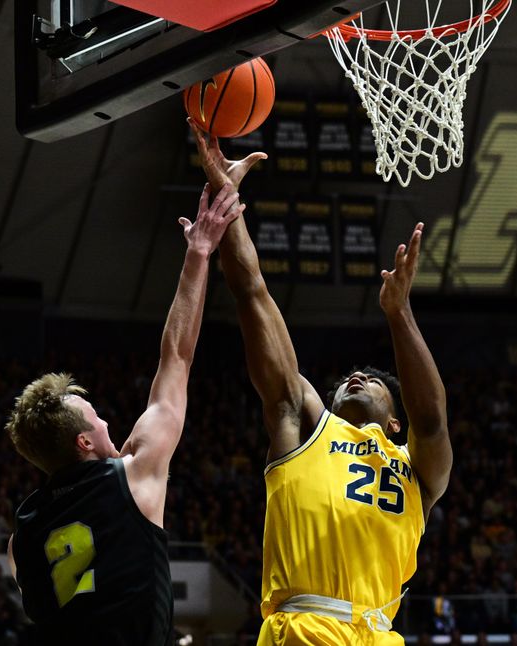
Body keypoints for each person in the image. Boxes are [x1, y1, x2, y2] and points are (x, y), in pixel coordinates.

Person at [190, 119, 453, 645]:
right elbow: (254, 294)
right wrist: (226, 191)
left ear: (393, 420)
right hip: (306, 626)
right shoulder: (303, 425)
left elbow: (431, 420)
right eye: (350, 379)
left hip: (379, 635)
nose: (357, 377)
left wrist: (398, 313)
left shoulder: (418, 474)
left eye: (375, 383)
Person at [5, 184, 243, 645]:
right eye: (96, 418)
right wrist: (199, 252)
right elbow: (177, 358)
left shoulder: (23, 536)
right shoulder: (133, 478)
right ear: (84, 442)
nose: (107, 422)